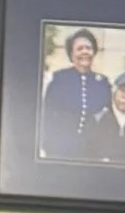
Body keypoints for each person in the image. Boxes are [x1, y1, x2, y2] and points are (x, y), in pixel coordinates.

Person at [39, 28, 115, 161]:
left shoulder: (103, 82)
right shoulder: (59, 79)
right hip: (61, 150)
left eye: (89, 48)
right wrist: (47, 145)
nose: (85, 52)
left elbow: (109, 114)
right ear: (71, 54)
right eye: (80, 49)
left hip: (92, 151)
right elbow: (47, 114)